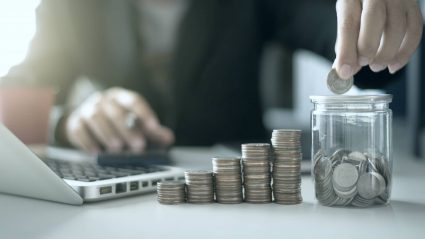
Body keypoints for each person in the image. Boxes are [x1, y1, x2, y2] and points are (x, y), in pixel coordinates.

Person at [1, 0, 422, 153]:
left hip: (243, 207)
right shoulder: (69, 6)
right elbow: (12, 100)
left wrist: (376, 20)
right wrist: (67, 120)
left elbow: (351, 46)